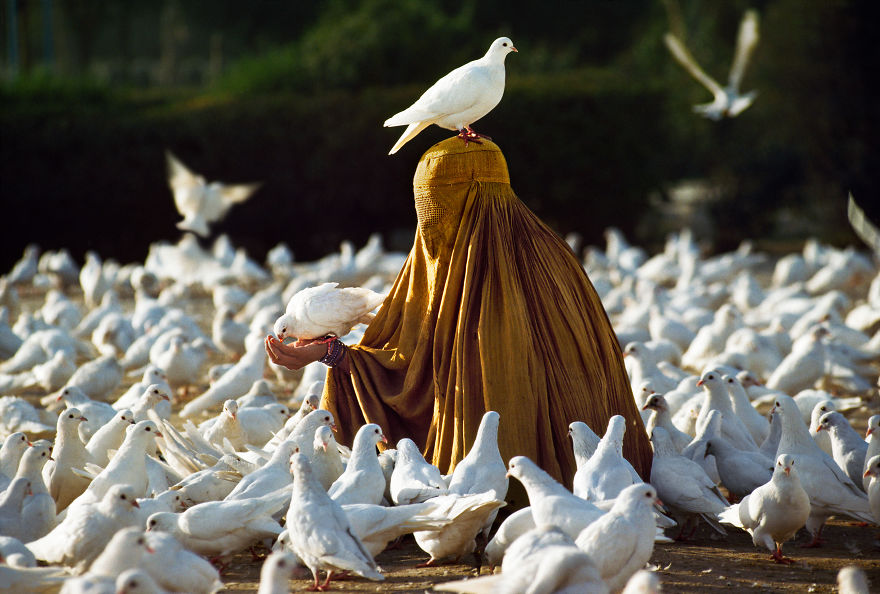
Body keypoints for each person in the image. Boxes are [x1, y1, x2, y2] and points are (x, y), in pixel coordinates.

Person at [266, 138, 653, 496]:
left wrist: (329, 354)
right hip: (607, 485)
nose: (432, 223)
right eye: (424, 208)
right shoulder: (542, 258)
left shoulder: (506, 272)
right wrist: (325, 351)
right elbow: (407, 364)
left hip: (521, 486)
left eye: (439, 205)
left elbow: (415, 381)